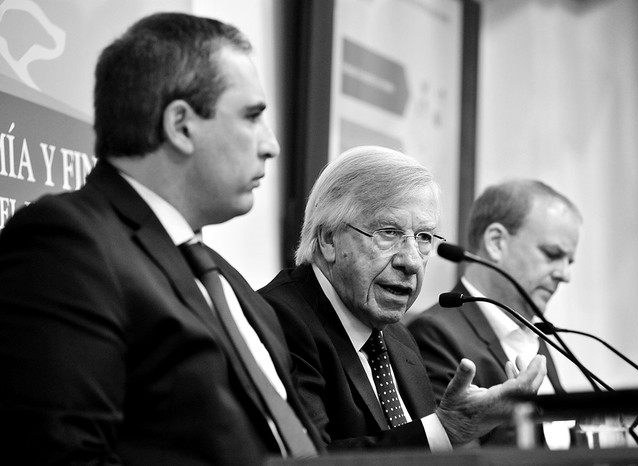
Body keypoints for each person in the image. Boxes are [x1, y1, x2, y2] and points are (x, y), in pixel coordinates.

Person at [0, 12, 322, 465]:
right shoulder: (68, 245)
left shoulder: (224, 279)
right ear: (181, 126)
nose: (271, 145)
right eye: (251, 117)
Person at [258, 146, 547, 452]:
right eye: (388, 232)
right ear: (329, 238)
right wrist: (445, 430)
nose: (411, 261)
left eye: (423, 237)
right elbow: (312, 459)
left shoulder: (397, 337)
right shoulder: (279, 319)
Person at [408, 179, 583, 446]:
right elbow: (457, 453)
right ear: (496, 242)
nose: (565, 275)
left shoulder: (536, 335)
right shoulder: (436, 334)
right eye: (552, 254)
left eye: (569, 261)